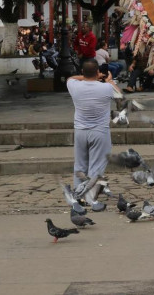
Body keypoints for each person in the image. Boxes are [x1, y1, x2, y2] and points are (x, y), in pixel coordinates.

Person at [66, 59, 119, 212]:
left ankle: (77, 196)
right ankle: (91, 198)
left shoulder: (74, 86)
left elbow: (70, 78)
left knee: (80, 164)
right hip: (99, 132)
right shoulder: (106, 88)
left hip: (80, 131)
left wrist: (87, 77)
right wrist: (109, 80)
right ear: (98, 72)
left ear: (83, 72)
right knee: (96, 166)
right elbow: (119, 95)